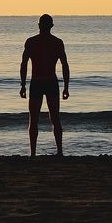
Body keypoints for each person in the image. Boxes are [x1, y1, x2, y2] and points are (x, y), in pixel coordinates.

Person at [20, 14, 70, 156]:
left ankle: (33, 153)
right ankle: (59, 151)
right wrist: (66, 87)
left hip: (37, 82)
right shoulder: (57, 42)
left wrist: (23, 85)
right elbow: (65, 65)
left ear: (39, 25)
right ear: (51, 26)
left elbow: (24, 64)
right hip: (50, 82)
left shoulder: (31, 42)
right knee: (55, 118)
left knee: (34, 119)